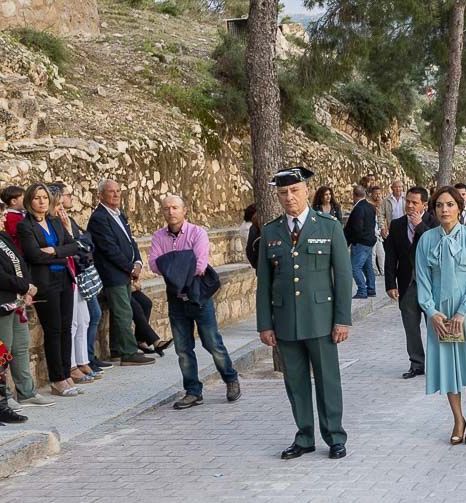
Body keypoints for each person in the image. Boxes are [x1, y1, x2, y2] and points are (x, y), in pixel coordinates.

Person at [257, 167, 352, 460]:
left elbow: (343, 276)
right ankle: (304, 436)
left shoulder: (329, 226)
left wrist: (342, 319)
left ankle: (334, 436)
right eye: (283, 193)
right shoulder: (271, 231)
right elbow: (264, 283)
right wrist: (265, 324)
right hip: (286, 321)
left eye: (295, 191)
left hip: (322, 320)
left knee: (328, 380)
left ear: (306, 191)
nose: (290, 197)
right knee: (295, 382)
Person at [416, 186, 466, 445]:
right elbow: (423, 279)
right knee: (449, 368)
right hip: (440, 315)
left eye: (450, 204)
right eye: (439, 205)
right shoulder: (427, 240)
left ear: (460, 208)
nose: (444, 209)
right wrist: (431, 311)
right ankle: (457, 418)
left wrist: (463, 311)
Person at [149, 194, 240, 409]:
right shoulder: (158, 236)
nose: (170, 212)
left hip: (199, 297)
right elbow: (153, 264)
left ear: (184, 210)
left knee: (212, 343)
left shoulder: (198, 233)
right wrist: (184, 260)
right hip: (176, 299)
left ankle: (231, 379)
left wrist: (171, 265)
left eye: (175, 207)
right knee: (183, 348)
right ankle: (193, 391)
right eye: (166, 208)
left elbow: (200, 265)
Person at [17, 184, 84, 397]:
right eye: (37, 198)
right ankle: (57, 379)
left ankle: (66, 374)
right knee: (53, 330)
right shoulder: (25, 226)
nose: (42, 201)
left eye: (45, 197)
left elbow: (74, 246)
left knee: (66, 329)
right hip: (45, 283)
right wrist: (62, 254)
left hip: (64, 278)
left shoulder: (55, 221)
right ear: (30, 201)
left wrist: (55, 251)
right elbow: (34, 256)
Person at [87, 178, 155, 366]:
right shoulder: (99, 218)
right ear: (101, 195)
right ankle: (127, 352)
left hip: (124, 271)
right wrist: (129, 267)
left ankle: (117, 350)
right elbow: (109, 248)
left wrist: (138, 262)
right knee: (123, 312)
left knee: (121, 312)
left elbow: (130, 241)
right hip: (112, 273)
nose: (116, 194)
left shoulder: (119, 215)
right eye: (111, 191)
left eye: (118, 191)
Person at [0, 201, 50, 411]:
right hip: (0, 303)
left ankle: (27, 391)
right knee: (2, 352)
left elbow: (20, 264)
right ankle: (3, 396)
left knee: (21, 347)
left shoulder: (4, 238)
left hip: (17, 301)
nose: (4, 218)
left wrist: (26, 289)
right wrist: (25, 286)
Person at [49, 183, 100, 384]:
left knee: (84, 319)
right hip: (66, 274)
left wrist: (73, 237)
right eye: (59, 203)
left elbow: (85, 243)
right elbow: (72, 246)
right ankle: (70, 365)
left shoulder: (67, 221)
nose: (62, 208)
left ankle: (82, 361)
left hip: (76, 273)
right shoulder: (53, 223)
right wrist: (73, 241)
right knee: (71, 324)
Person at [384, 186, 433, 380]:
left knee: (434, 326)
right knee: (411, 327)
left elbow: (437, 244)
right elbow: (391, 256)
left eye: (414, 202)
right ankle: (416, 363)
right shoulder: (397, 225)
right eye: (408, 201)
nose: (410, 206)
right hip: (407, 284)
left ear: (424, 205)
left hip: (430, 284)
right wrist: (390, 284)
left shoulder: (434, 221)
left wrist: (420, 225)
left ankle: (437, 363)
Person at [343, 184, 377, 299]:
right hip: (370, 241)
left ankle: (362, 290)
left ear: (354, 195)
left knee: (355, 267)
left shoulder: (358, 209)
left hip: (360, 242)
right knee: (368, 266)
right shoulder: (371, 207)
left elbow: (356, 228)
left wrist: (350, 241)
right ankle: (371, 289)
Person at [0, 186, 25, 250]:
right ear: (14, 201)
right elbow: (15, 233)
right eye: (23, 199)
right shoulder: (10, 217)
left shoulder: (20, 214)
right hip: (19, 249)